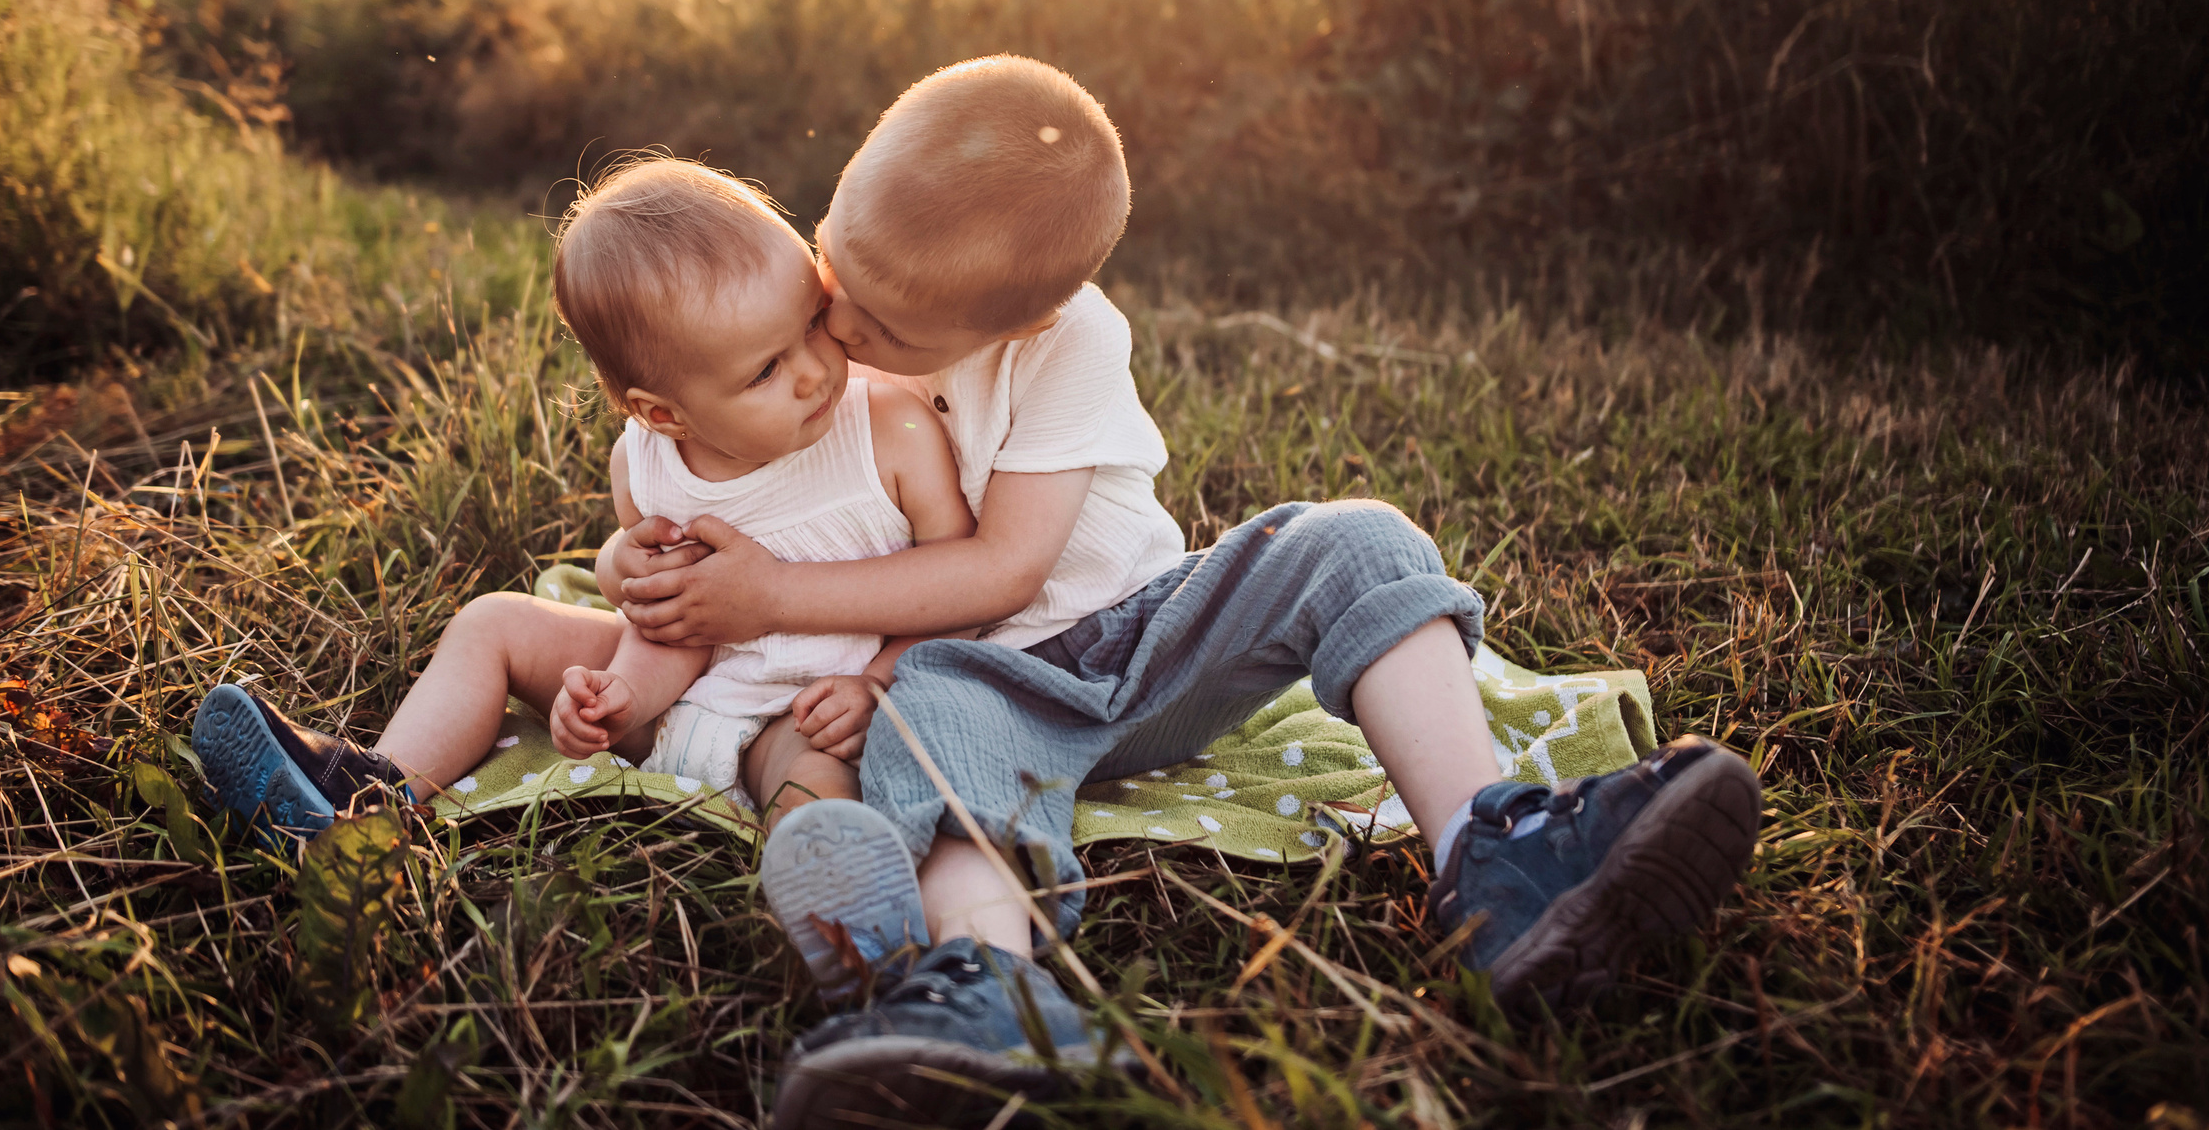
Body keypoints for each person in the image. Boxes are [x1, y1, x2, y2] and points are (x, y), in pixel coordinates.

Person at [599, 56, 1764, 1125]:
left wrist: (771, 599)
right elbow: (723, 494)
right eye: (830, 261)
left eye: (882, 324)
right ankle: (981, 984)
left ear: (1027, 319)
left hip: (1140, 641)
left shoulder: (1065, 344)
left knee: (1354, 540)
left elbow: (1006, 570)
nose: (834, 322)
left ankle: (1494, 843)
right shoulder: (812, 343)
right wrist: (634, 567)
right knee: (927, 734)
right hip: (968, 678)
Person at [188, 158, 974, 839]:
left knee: (815, 785)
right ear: (664, 413)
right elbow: (668, 623)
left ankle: (841, 885)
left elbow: (961, 593)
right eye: (766, 369)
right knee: (493, 623)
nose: (813, 371)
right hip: (672, 702)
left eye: (812, 321)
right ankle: (370, 796)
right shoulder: (647, 463)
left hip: (804, 713)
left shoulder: (890, 432)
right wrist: (617, 674)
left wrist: (878, 684)